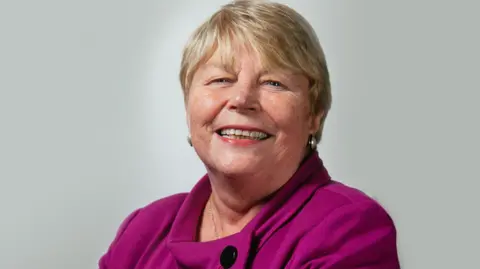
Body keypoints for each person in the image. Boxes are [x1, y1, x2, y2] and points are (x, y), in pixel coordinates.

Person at [99, 0, 401, 268]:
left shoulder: (348, 229)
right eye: (221, 79)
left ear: (313, 115)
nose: (242, 99)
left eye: (274, 83)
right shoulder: (144, 231)